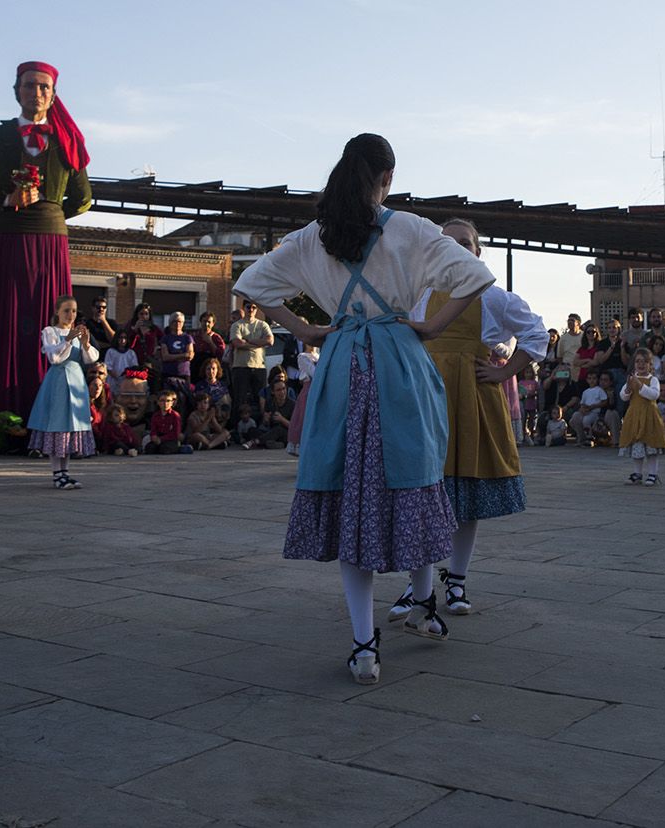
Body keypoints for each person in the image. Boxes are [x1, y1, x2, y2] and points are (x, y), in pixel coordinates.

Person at [231, 133, 494, 685]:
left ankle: (363, 644)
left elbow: (252, 283)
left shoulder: (316, 234)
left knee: (351, 492)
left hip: (343, 361)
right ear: (387, 178)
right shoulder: (410, 228)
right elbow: (476, 277)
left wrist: (305, 328)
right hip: (400, 360)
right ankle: (423, 605)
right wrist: (431, 326)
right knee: (416, 479)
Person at [396, 218, 547, 618]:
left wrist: (504, 371)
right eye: (448, 242)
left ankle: (457, 579)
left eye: (465, 243)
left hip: (472, 401)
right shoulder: (419, 294)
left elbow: (536, 333)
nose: (457, 248)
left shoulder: (493, 297)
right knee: (423, 494)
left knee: (467, 495)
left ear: (478, 253)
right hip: (427, 401)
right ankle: (418, 585)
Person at [0, 61, 92, 416]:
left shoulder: (67, 139)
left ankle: (48, 411)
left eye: (43, 87)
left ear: (53, 94)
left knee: (50, 320)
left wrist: (50, 213)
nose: (36, 92)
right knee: (4, 319)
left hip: (50, 243)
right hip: (8, 236)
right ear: (16, 91)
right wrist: (7, 199)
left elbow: (83, 197)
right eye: (29, 85)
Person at [27, 296, 97, 490]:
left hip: (76, 382)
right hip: (58, 383)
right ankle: (57, 474)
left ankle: (65, 473)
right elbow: (54, 358)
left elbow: (90, 359)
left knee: (70, 428)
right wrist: (67, 339)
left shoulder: (78, 333)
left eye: (73, 310)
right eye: (66, 310)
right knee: (57, 425)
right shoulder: (50, 332)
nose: (70, 314)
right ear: (57, 312)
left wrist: (85, 343)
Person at [620, 347, 665, 486]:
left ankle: (653, 474)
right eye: (638, 361)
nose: (641, 365)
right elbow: (623, 396)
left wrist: (640, 386)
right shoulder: (631, 379)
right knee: (637, 446)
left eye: (644, 362)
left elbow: (654, 395)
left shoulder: (653, 380)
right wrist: (628, 390)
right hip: (635, 415)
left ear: (650, 364)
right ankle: (637, 473)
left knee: (651, 445)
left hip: (649, 416)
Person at [228, 301, 273, 429]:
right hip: (241, 367)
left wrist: (248, 341)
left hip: (259, 367)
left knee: (259, 399)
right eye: (249, 307)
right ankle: (237, 429)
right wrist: (259, 343)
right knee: (240, 399)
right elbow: (237, 343)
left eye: (254, 307)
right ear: (244, 308)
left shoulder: (262, 325)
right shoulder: (237, 325)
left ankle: (258, 427)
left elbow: (270, 341)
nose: (251, 309)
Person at [158, 312, 196, 401]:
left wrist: (172, 356)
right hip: (168, 373)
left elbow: (190, 355)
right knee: (169, 398)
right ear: (170, 323)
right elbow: (165, 357)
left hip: (184, 373)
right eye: (175, 321)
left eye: (180, 321)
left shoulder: (187, 338)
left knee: (184, 399)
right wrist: (183, 355)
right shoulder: (165, 338)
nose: (177, 324)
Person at [146, 390, 190, 454]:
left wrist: (161, 439)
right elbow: (153, 430)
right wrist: (154, 437)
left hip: (170, 439)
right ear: (158, 402)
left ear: (172, 403)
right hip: (159, 438)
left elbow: (175, 433)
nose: (165, 403)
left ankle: (180, 447)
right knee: (149, 448)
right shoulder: (155, 416)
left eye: (168, 401)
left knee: (165, 449)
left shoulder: (175, 415)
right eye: (162, 401)